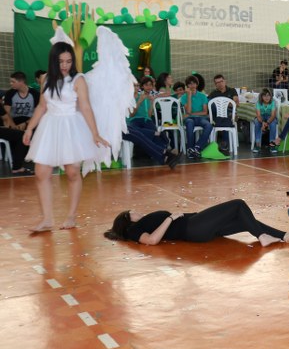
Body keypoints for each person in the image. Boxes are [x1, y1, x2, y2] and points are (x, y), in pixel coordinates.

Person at [23, 42, 109, 231]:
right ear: (53, 61)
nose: (65, 65)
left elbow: (85, 107)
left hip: (71, 127)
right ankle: (47, 219)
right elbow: (42, 106)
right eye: (61, 61)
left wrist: (95, 133)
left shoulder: (78, 79)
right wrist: (30, 128)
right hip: (49, 126)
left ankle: (71, 216)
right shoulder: (46, 78)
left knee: (72, 172)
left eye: (69, 61)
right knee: (41, 173)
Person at [103, 199, 289, 247]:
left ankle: (286, 236)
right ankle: (262, 237)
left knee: (244, 220)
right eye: (132, 212)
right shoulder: (135, 230)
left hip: (197, 225)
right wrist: (170, 218)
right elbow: (152, 240)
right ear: (127, 218)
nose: (137, 211)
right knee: (238, 204)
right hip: (192, 228)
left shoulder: (141, 224)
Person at [124, 76, 182, 169]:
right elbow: (131, 115)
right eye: (134, 86)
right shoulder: (128, 98)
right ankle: (165, 151)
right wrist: (139, 101)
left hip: (146, 119)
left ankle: (165, 153)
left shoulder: (145, 96)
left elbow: (149, 114)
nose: (136, 88)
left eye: (137, 86)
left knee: (152, 130)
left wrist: (152, 103)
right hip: (134, 120)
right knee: (138, 130)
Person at [1, 71, 40, 175]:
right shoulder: (10, 93)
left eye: (13, 82)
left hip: (29, 120)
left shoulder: (34, 94)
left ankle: (29, 156)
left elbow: (37, 113)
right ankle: (18, 160)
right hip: (14, 120)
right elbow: (6, 114)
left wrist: (26, 124)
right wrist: (13, 125)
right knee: (16, 134)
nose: (11, 84)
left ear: (21, 82)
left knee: (34, 129)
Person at [180, 75, 212, 158]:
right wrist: (189, 96)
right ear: (187, 86)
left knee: (209, 125)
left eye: (194, 83)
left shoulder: (202, 96)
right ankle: (190, 149)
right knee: (189, 122)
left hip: (201, 118)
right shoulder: (184, 97)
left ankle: (197, 147)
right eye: (190, 84)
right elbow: (188, 111)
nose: (192, 86)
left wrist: (191, 114)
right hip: (189, 118)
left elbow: (205, 112)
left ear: (197, 84)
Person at [207, 74, 239, 154]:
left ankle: (224, 143)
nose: (220, 84)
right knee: (214, 108)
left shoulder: (232, 90)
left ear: (225, 81)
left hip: (229, 113)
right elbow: (208, 105)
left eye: (221, 81)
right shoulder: (213, 93)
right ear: (215, 84)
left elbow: (236, 103)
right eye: (217, 83)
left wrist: (222, 105)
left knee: (225, 116)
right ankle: (224, 143)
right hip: (218, 115)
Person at [254, 88, 278, 153]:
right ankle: (257, 144)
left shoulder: (273, 102)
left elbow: (273, 115)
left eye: (268, 95)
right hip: (261, 117)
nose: (267, 97)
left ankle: (272, 144)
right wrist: (262, 122)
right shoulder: (258, 103)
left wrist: (267, 123)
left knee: (273, 123)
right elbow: (258, 115)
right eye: (264, 96)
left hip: (270, 117)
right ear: (261, 97)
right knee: (257, 122)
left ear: (270, 96)